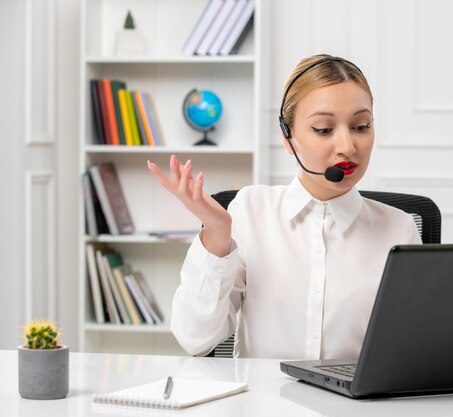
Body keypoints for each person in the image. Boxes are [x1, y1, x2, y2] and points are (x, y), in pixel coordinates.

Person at [147, 54, 421, 359]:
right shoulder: (250, 211)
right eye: (324, 129)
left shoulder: (400, 228)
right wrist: (216, 236)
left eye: (360, 126)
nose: (348, 146)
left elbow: (412, 351)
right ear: (288, 138)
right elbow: (194, 339)